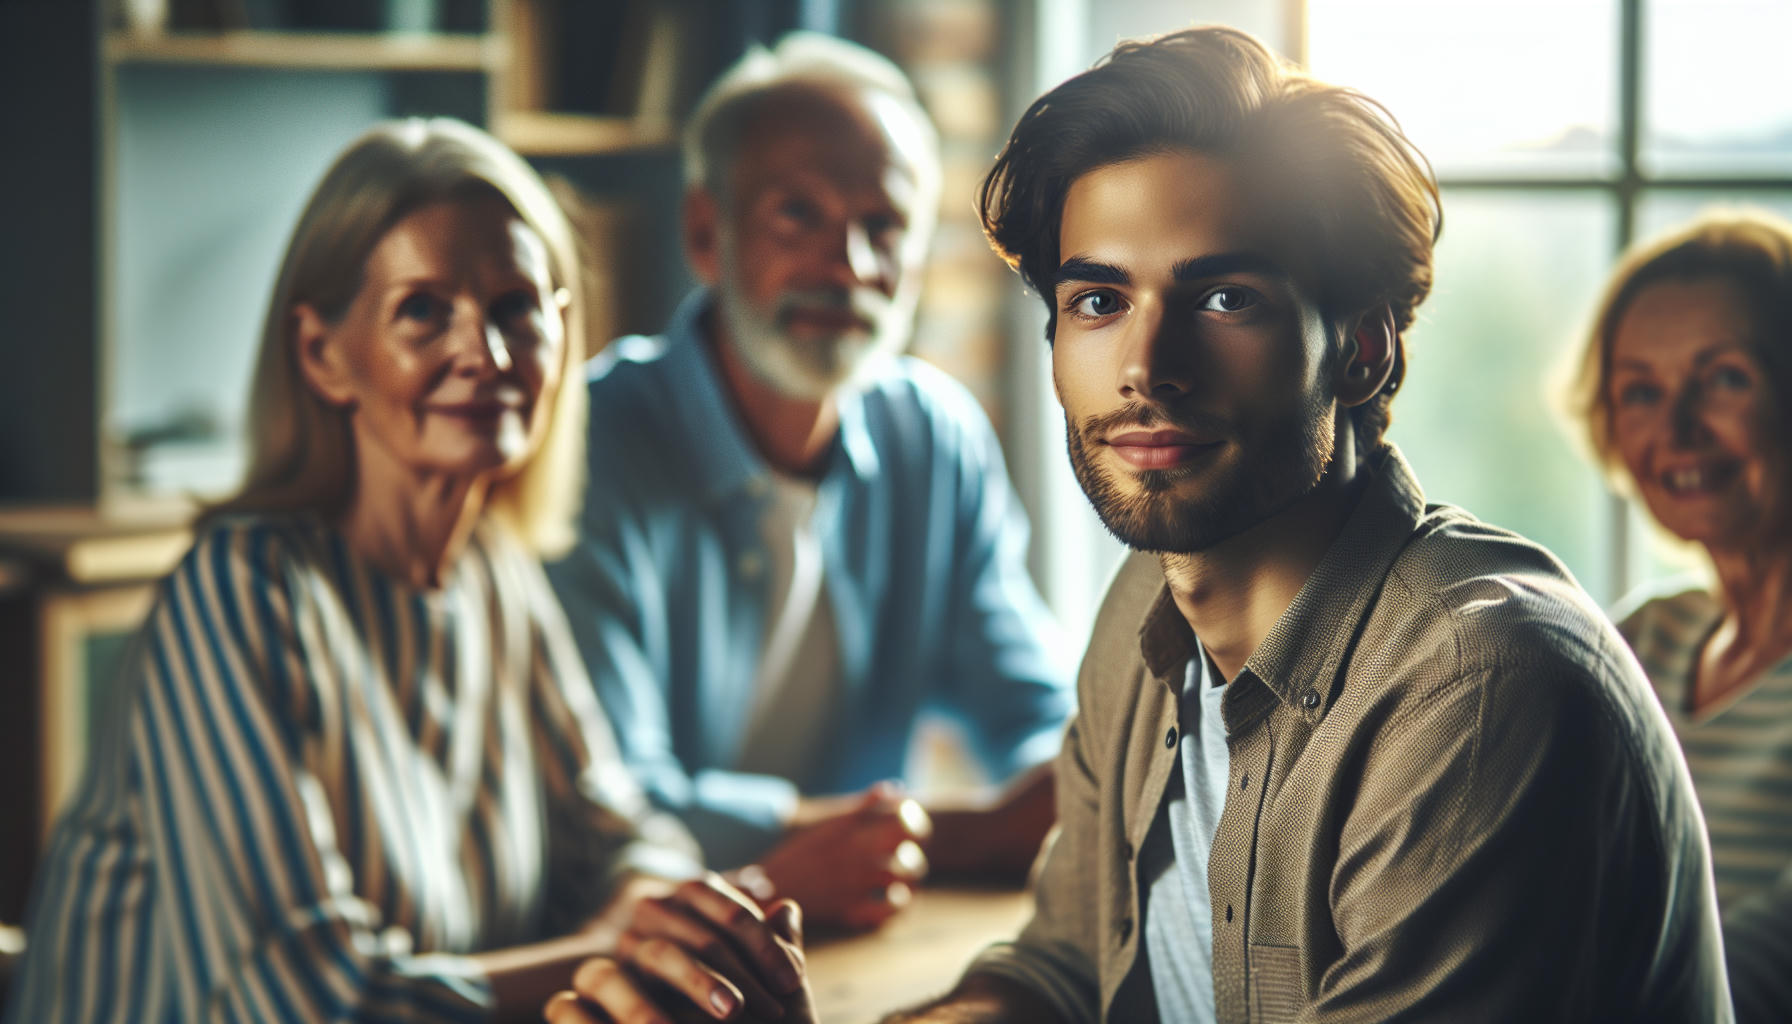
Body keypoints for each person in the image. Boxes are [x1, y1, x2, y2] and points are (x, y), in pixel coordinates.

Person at [866, 25, 1730, 1023]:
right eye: (1099, 299)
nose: (1147, 366)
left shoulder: (1480, 689)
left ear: (1360, 351)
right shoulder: (1145, 606)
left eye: (1225, 296)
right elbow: (1065, 965)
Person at [0, 118, 808, 1024]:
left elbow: (628, 837)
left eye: (516, 309)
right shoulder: (241, 590)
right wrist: (623, 955)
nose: (488, 354)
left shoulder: (496, 572)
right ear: (322, 355)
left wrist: (657, 912)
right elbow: (310, 1001)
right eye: (424, 310)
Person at [545, 32, 1072, 929]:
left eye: (884, 226)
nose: (851, 267)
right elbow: (609, 806)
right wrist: (958, 833)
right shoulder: (585, 443)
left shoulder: (936, 437)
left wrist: (1062, 787)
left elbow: (1038, 723)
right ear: (706, 233)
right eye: (799, 215)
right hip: (635, 952)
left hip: (857, 935)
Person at [1570, 210, 1792, 1022]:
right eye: (1641, 391)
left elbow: (1763, 973)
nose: (1676, 430)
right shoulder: (1643, 640)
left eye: (1726, 377)